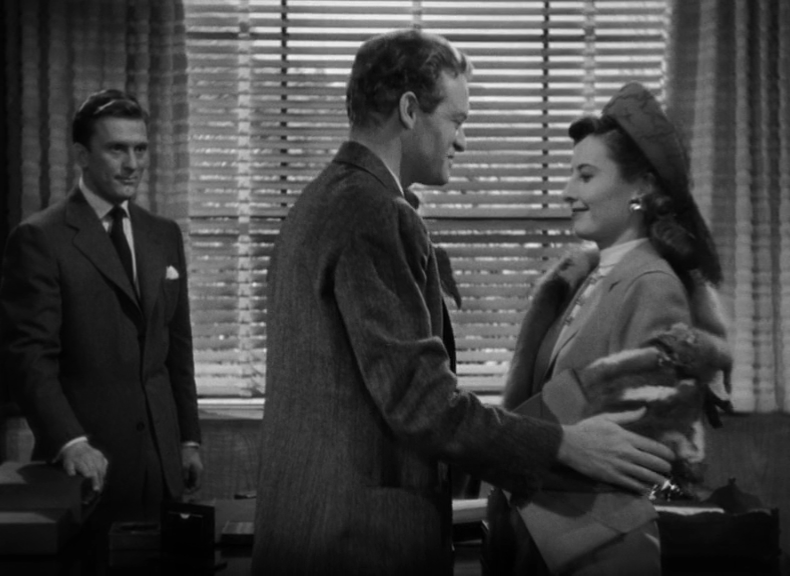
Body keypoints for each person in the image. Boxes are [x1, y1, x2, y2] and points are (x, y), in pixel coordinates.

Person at [251, 32, 676, 576]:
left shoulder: (317, 202)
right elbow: (422, 402)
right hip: (360, 544)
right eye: (457, 121)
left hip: (306, 528)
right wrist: (564, 445)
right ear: (410, 110)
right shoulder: (376, 213)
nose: (463, 142)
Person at [485, 82, 733, 576]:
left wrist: (499, 441)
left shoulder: (652, 284)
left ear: (640, 187)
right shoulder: (587, 280)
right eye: (570, 174)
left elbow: (639, 445)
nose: (567, 191)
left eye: (585, 176)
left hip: (597, 545)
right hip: (546, 534)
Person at [0, 89, 203, 529]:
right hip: (86, 469)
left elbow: (177, 347)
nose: (132, 164)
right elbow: (29, 359)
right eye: (117, 149)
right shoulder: (40, 238)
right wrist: (70, 442)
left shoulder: (163, 234)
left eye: (140, 149)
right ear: (82, 155)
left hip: (163, 466)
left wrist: (188, 439)